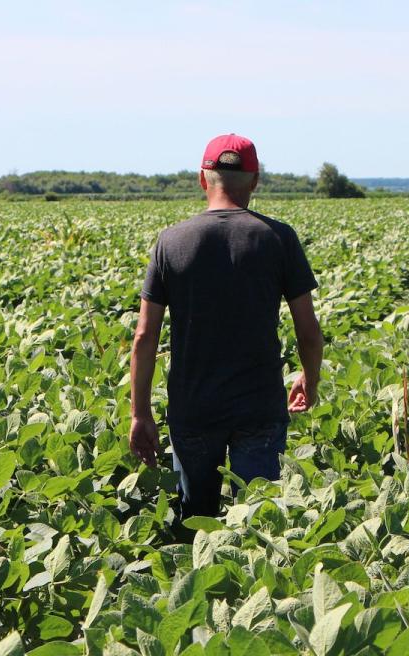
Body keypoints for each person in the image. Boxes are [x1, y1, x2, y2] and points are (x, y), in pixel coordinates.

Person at [129, 133, 324, 529]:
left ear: (203, 179)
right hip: (260, 406)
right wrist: (310, 379)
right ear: (255, 181)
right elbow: (308, 331)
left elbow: (144, 337)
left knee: (195, 526)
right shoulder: (278, 238)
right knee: (259, 527)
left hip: (193, 407)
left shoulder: (171, 241)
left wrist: (140, 413)